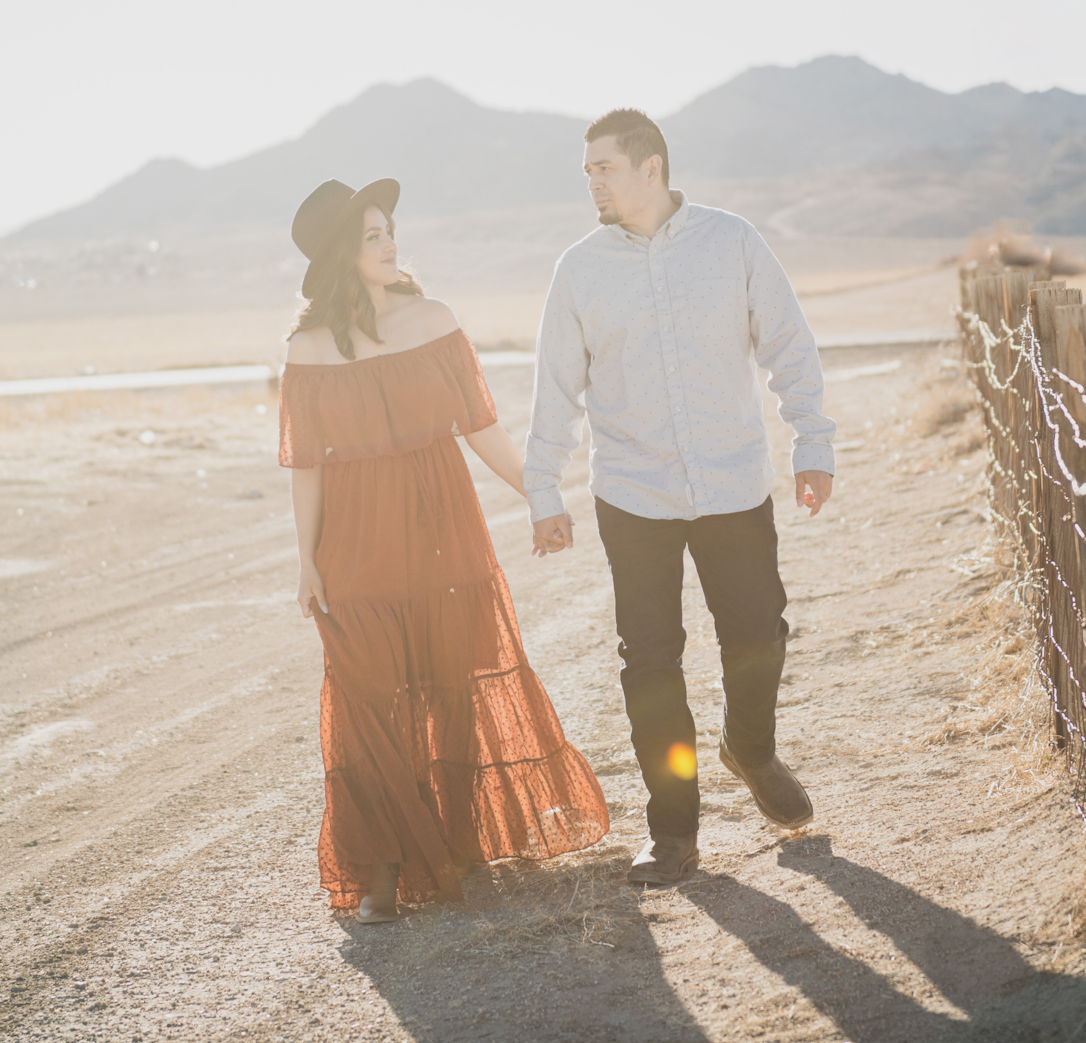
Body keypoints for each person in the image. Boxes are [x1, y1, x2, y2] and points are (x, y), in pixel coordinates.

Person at [279, 177, 609, 923]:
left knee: (449, 686)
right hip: (355, 543)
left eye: (390, 228)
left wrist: (542, 496)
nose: (391, 242)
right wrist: (306, 559)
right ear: (342, 254)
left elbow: (481, 429)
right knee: (369, 700)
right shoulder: (306, 346)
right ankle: (384, 867)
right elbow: (308, 466)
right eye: (372, 235)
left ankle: (455, 843)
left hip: (442, 528)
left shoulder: (434, 319)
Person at [523, 109, 836, 886]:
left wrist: (813, 440)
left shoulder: (731, 242)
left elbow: (789, 343)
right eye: (587, 168)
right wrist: (543, 489)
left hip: (732, 481)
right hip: (633, 493)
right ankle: (674, 834)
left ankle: (751, 749)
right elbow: (555, 388)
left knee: (758, 631)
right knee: (651, 662)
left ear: (651, 166)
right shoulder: (579, 269)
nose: (592, 179)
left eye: (605, 166)